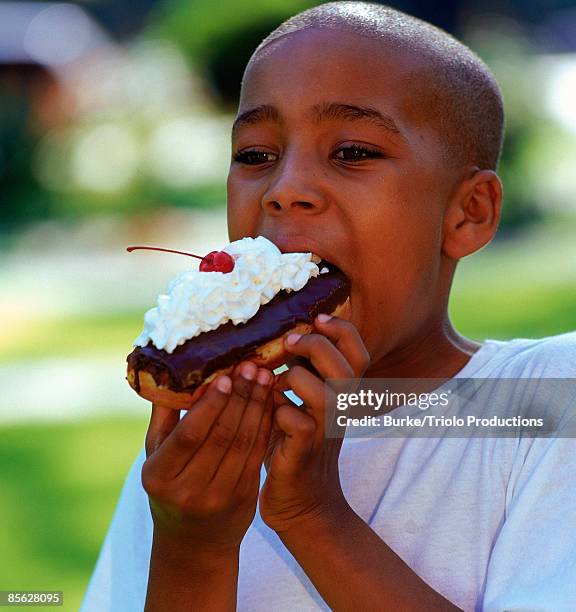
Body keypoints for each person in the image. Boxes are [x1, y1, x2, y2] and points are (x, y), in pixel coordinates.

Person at [81, 2, 576, 610]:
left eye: (352, 153)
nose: (285, 190)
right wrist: (193, 546)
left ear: (467, 212)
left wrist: (312, 516)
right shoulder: (196, 454)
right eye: (256, 156)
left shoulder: (546, 400)